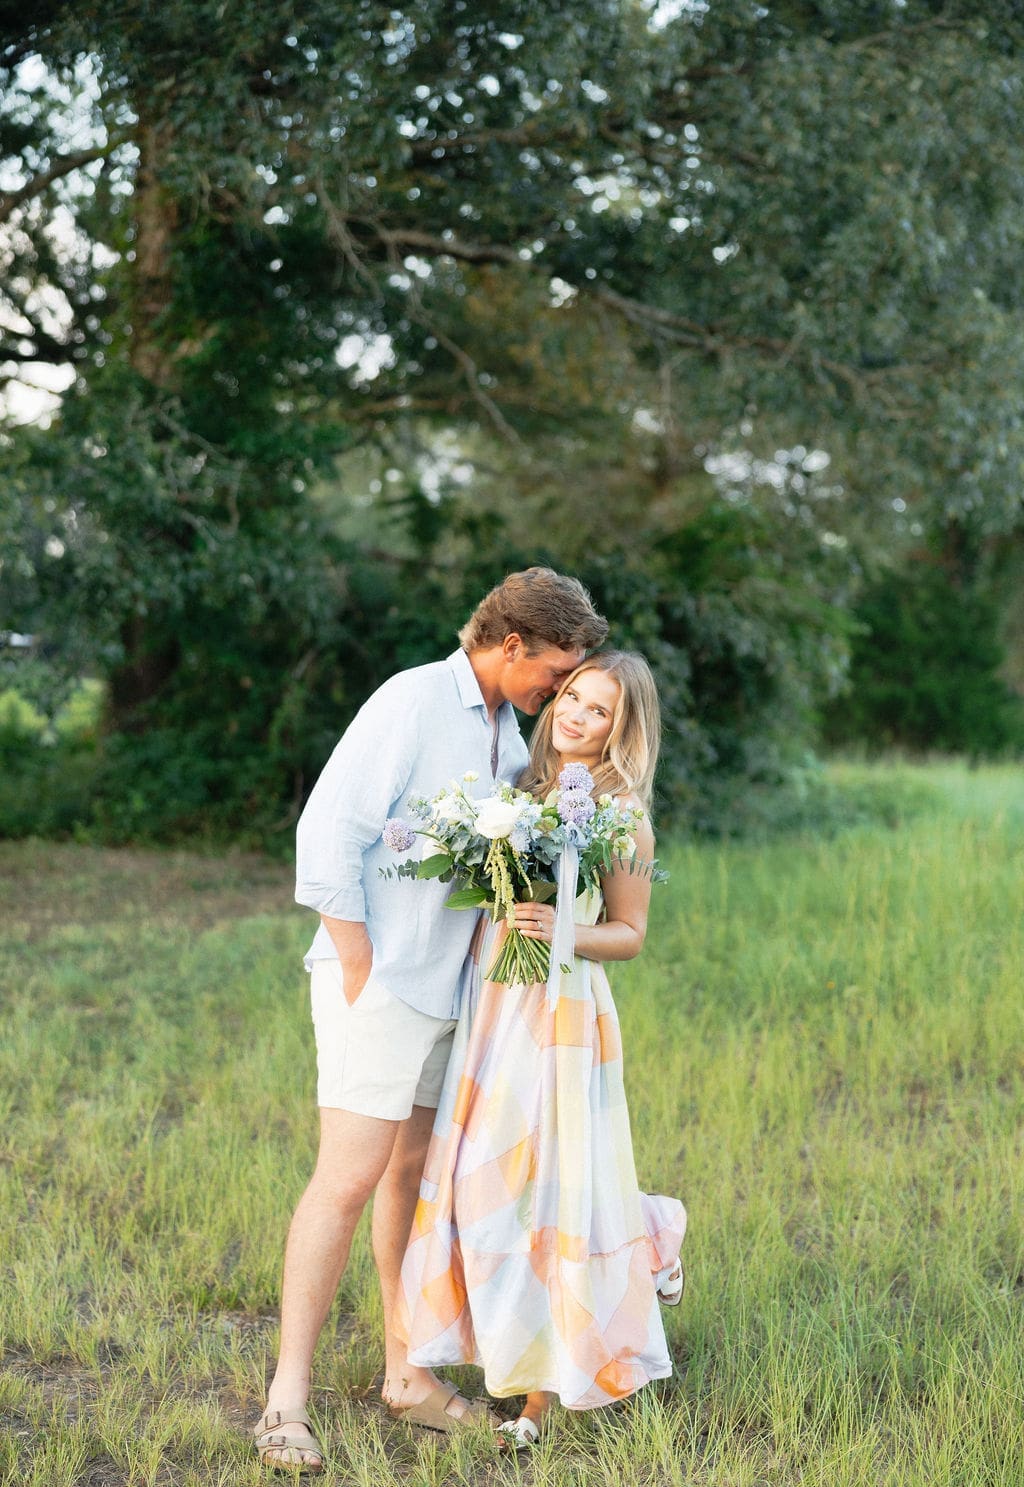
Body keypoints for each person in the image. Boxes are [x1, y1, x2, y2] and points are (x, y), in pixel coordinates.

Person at [252, 568, 608, 1472]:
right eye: (556, 670)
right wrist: (361, 962)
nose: (558, 690)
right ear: (513, 644)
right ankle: (285, 1399)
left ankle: (405, 1370)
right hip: (381, 987)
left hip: (454, 1000)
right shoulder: (411, 700)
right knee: (347, 1177)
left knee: (410, 1182)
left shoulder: (501, 733)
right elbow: (325, 834)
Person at [397, 651, 687, 1448]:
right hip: (494, 1010)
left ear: (622, 730)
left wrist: (556, 929)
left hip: (561, 1013)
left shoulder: (621, 813)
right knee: (484, 1186)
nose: (577, 716)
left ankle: (539, 1397)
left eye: (600, 711)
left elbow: (629, 934)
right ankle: (647, 1234)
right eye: (572, 697)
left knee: (547, 1191)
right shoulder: (518, 792)